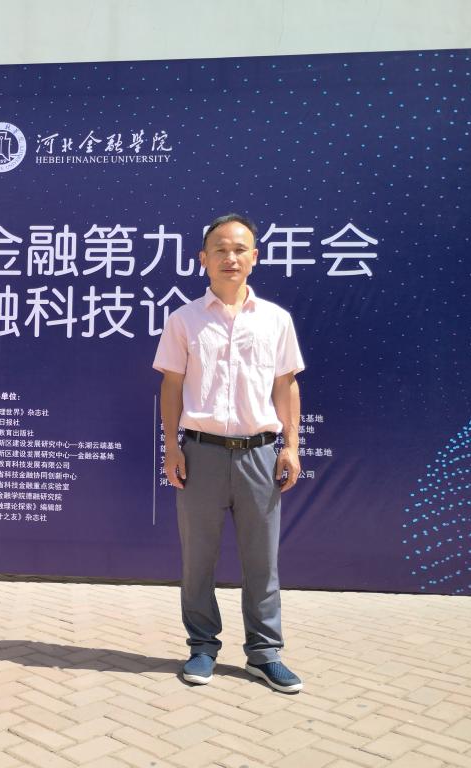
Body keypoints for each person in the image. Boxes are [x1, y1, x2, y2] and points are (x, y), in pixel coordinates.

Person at [153, 213, 305, 693]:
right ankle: (202, 647)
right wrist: (171, 446)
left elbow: (286, 385)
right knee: (198, 559)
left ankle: (264, 653)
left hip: (261, 454)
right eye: (220, 249)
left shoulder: (276, 320)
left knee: (262, 561)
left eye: (240, 249)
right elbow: (171, 385)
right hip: (201, 454)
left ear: (254, 258)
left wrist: (291, 446)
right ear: (203, 259)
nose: (230, 257)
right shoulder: (184, 320)